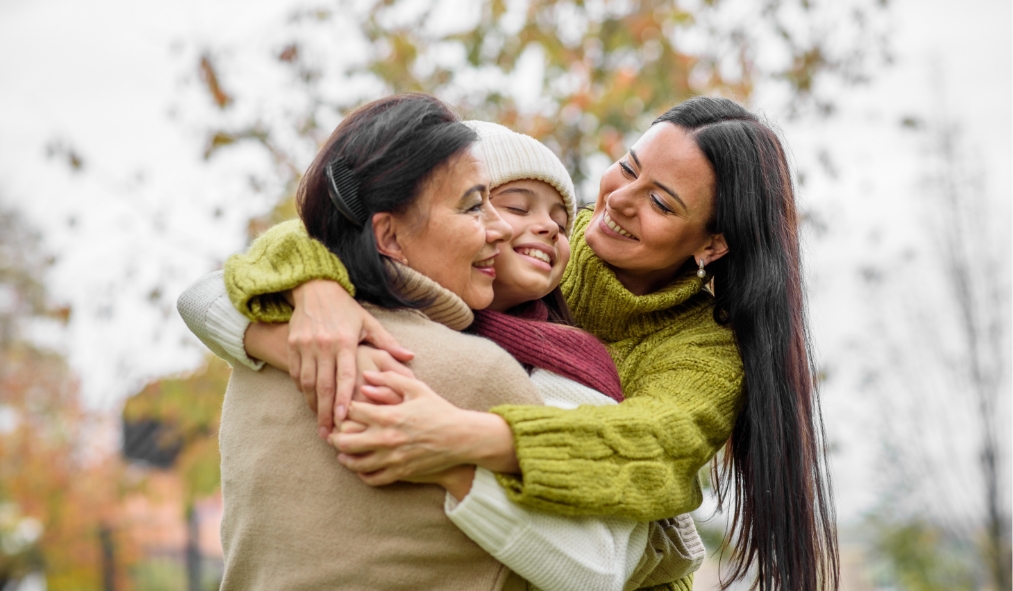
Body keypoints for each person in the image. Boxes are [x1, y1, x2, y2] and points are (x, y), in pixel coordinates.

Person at [219, 97, 839, 591]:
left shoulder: (700, 351)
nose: (617, 200)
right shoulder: (542, 245)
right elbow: (322, 237)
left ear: (710, 245)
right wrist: (314, 291)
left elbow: (648, 450)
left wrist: (461, 437)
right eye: (627, 165)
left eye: (659, 202)